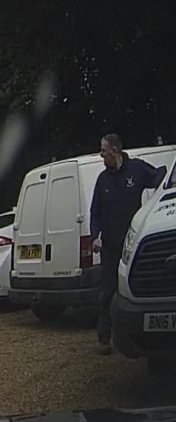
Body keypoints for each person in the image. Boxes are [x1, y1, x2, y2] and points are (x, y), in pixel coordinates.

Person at [90, 133, 166, 355]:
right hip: (111, 247)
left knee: (136, 290)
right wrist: (95, 235)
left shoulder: (137, 169)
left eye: (103, 151)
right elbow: (95, 211)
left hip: (133, 246)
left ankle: (143, 336)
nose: (101, 155)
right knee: (106, 293)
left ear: (114, 150)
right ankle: (104, 338)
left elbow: (160, 178)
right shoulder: (102, 180)